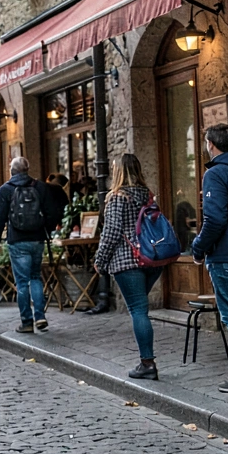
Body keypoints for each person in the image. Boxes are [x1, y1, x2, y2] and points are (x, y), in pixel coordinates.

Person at [93, 154, 164, 380]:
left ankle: (147, 363)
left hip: (128, 261)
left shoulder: (117, 198)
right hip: (152, 260)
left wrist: (100, 261)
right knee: (140, 307)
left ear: (118, 172)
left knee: (138, 310)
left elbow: (111, 232)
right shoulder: (147, 195)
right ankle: (147, 361)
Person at [190, 124, 228, 393]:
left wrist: (198, 248)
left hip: (227, 254)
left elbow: (214, 219)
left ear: (211, 145)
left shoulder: (215, 173)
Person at [0, 157, 63, 334]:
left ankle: (26, 321)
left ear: (12, 171)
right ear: (27, 169)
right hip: (37, 239)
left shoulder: (6, 190)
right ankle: (40, 316)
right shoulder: (40, 187)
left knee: (22, 282)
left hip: (17, 240)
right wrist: (46, 229)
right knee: (35, 277)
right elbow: (52, 213)